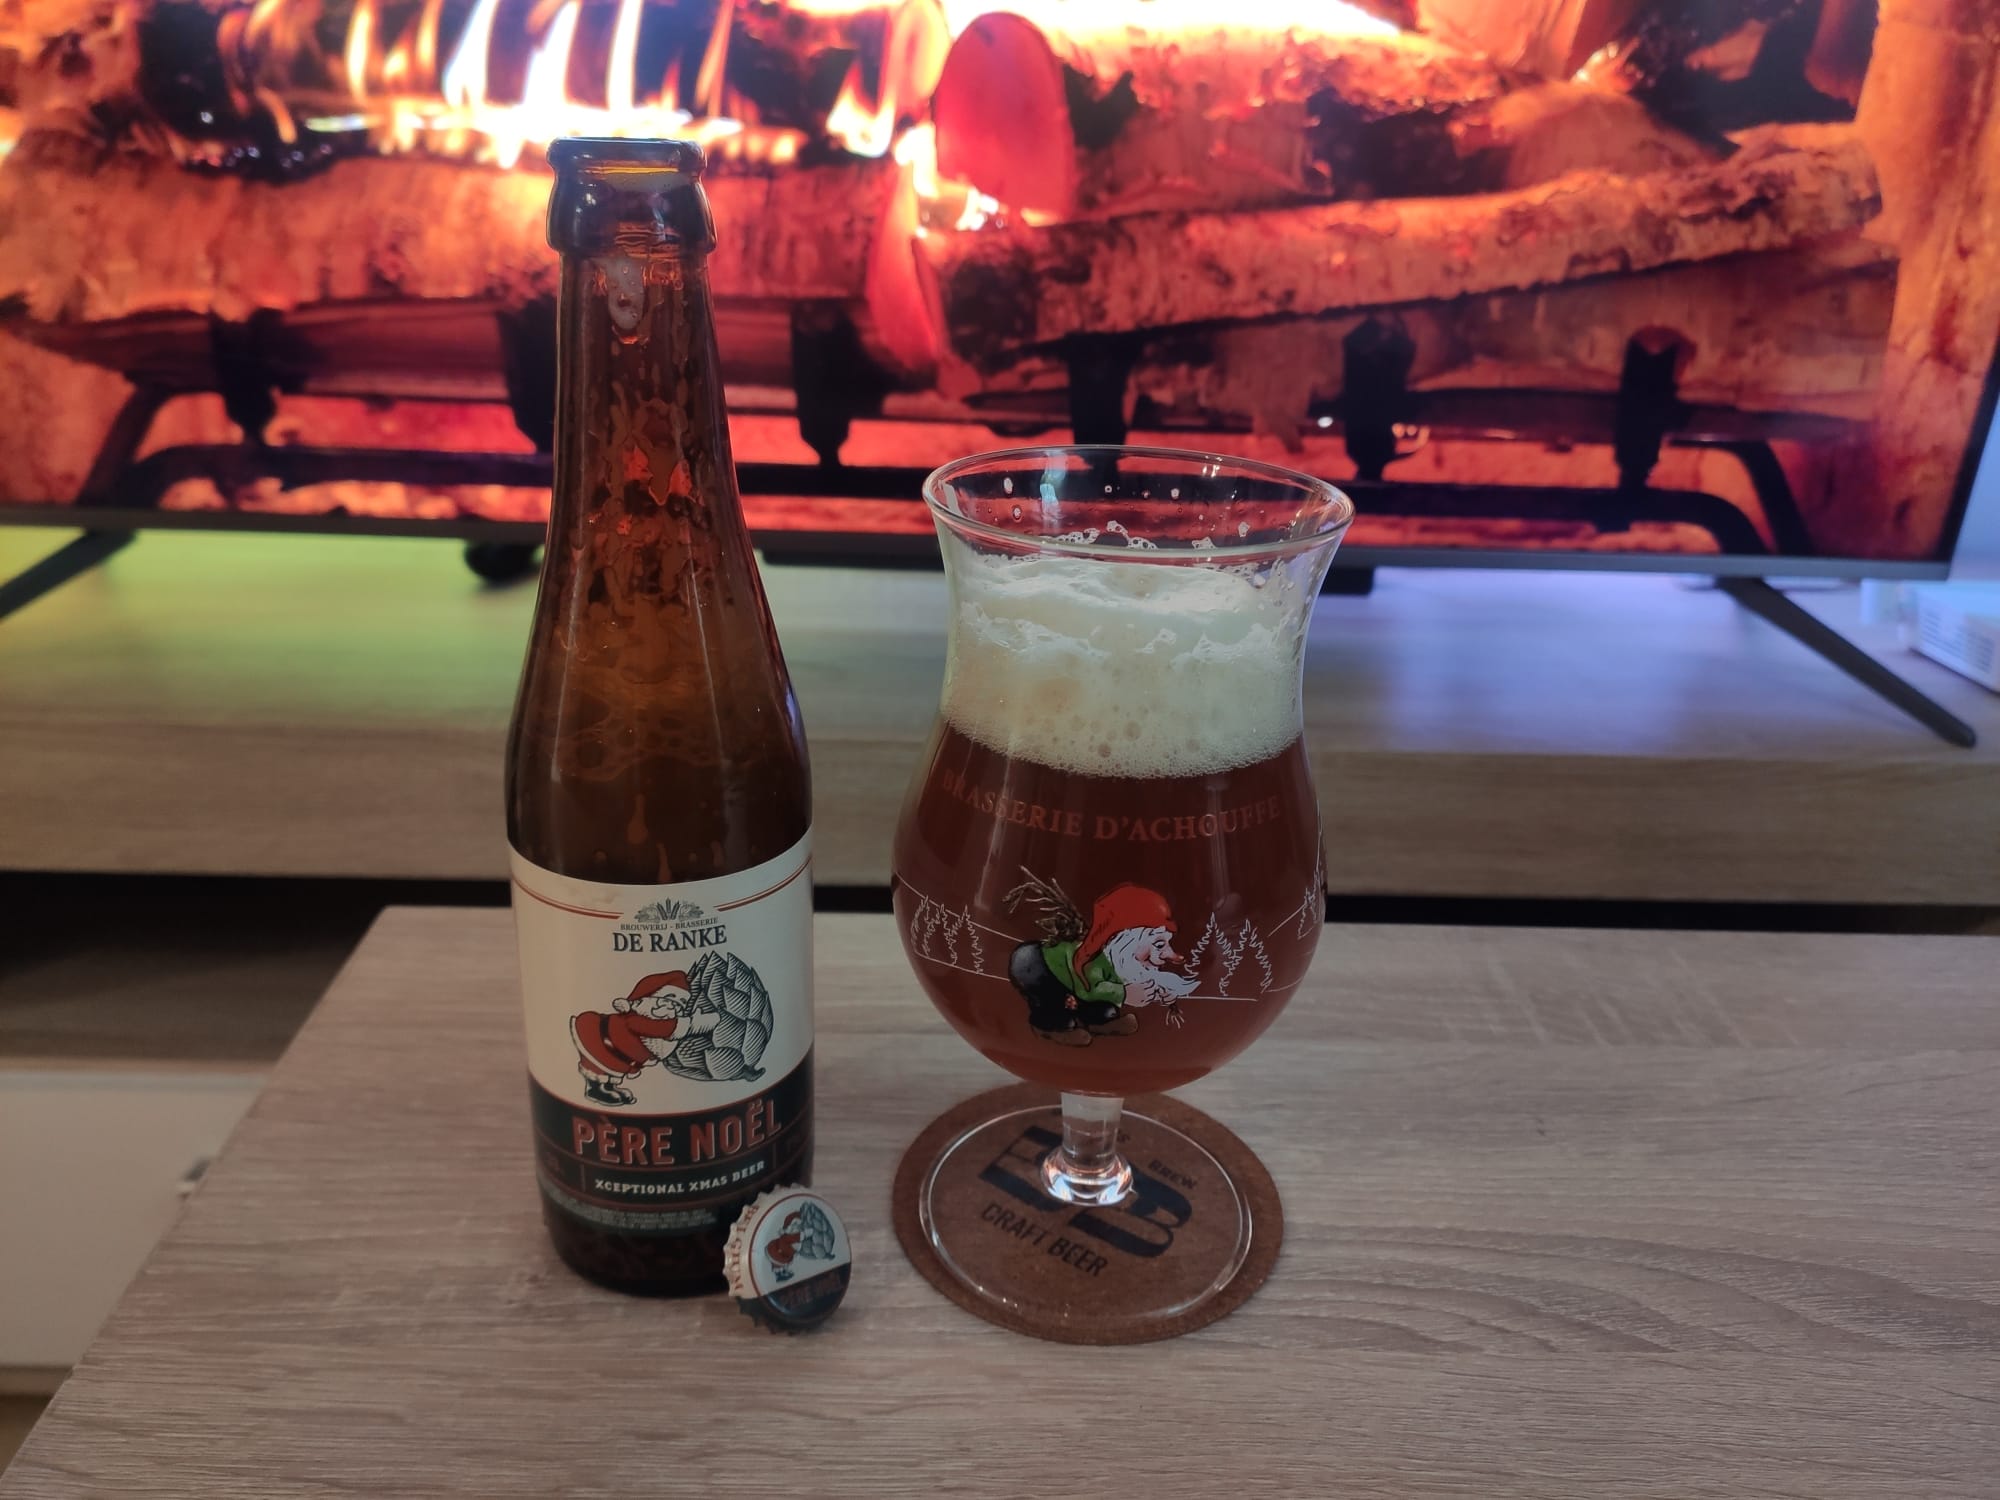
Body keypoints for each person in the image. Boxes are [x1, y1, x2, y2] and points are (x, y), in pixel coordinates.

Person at [1007, 884, 1199, 1046]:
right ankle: (1050, 1026)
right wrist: (1125, 993)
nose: (1169, 955)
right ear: (1127, 940)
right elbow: (1087, 989)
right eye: (1159, 944)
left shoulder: (1116, 963)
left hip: (1072, 982)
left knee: (1105, 1009)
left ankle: (1098, 1022)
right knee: (1054, 1004)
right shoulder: (1090, 957)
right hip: (1034, 965)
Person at [568, 971, 718, 1105]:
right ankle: (595, 1089)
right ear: (647, 999)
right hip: (601, 1044)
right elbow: (658, 1028)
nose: (671, 1007)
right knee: (597, 1067)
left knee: (608, 1070)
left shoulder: (654, 1021)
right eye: (667, 1000)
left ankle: (606, 1087)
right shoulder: (634, 1019)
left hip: (618, 1056)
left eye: (678, 1005)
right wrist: (690, 1025)